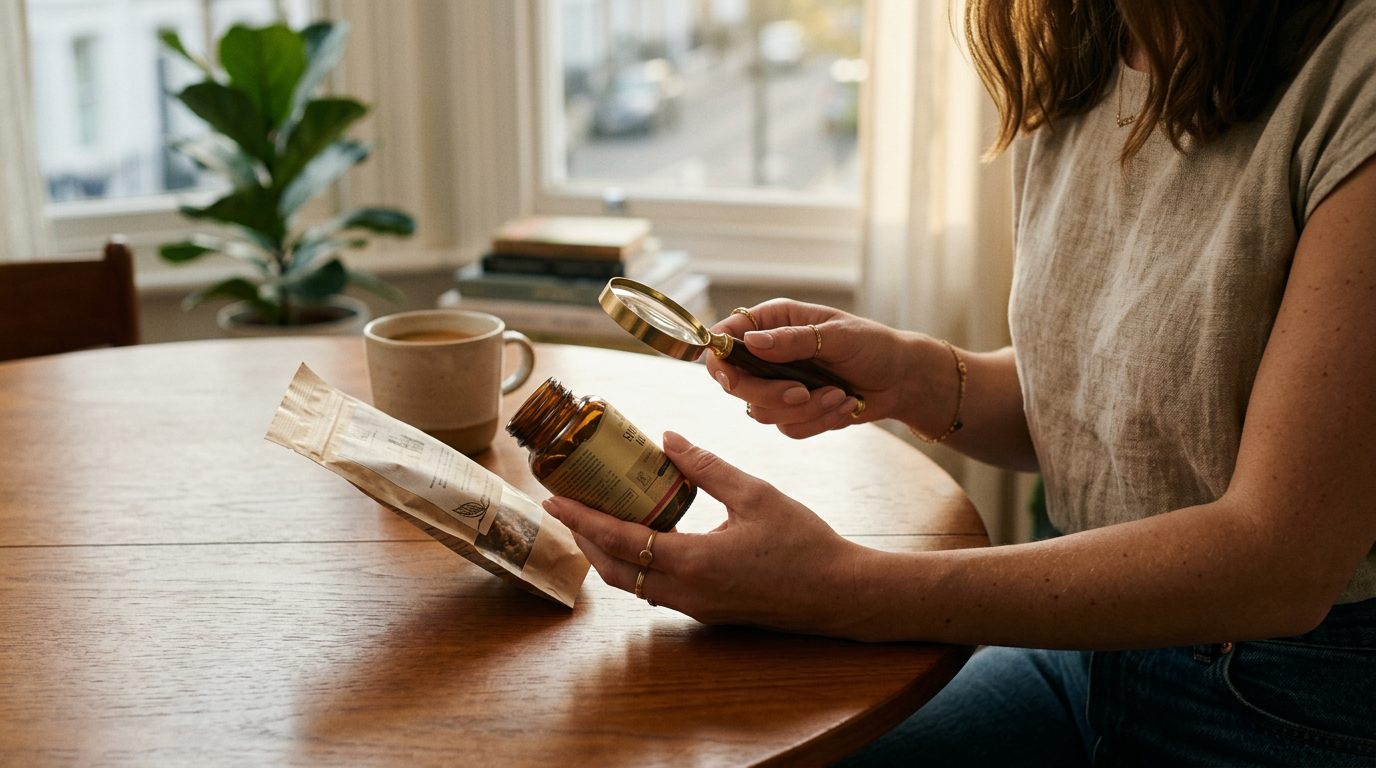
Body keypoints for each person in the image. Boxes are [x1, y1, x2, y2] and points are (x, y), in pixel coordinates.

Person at [542, 0, 1376, 763]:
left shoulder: (1353, 80)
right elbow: (1133, 409)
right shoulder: (1094, 46)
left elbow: (1281, 563)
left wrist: (841, 592)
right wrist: (916, 377)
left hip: (1288, 695)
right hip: (1084, 652)